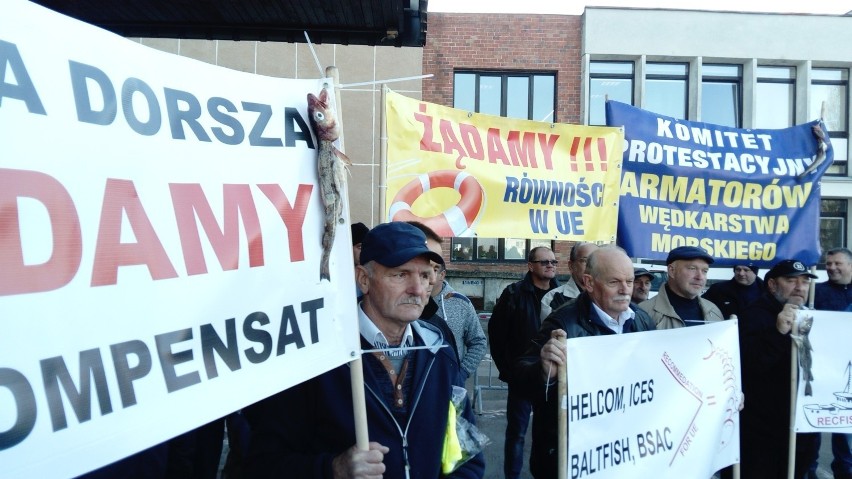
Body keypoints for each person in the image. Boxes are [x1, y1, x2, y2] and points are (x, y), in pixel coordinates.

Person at [243, 221, 484, 478]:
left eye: (425, 276)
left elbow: (467, 454)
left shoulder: (440, 351)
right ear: (363, 279)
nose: (417, 289)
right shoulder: (317, 356)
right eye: (400, 274)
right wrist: (333, 469)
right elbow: (264, 461)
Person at [512, 246, 656, 479]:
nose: (625, 290)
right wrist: (544, 371)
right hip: (573, 456)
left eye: (629, 281)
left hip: (625, 453)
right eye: (614, 282)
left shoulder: (641, 319)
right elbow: (520, 378)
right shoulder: (563, 323)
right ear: (589, 283)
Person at [739, 259, 820, 479]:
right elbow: (751, 365)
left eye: (804, 281)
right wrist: (777, 333)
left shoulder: (811, 316)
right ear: (772, 284)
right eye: (791, 280)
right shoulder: (754, 314)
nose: (800, 287)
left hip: (802, 426)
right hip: (764, 430)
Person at [488, 246, 559, 479]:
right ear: (530, 266)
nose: (550, 265)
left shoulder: (561, 296)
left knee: (549, 433)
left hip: (551, 379)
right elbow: (497, 335)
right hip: (522, 377)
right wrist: (508, 371)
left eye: (553, 262)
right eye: (544, 262)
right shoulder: (514, 294)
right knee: (517, 433)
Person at [419, 225, 487, 384]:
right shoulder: (405, 305)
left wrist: (461, 373)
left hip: (451, 385)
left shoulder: (460, 303)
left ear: (442, 274)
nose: (430, 277)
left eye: (435, 269)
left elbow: (478, 342)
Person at [815, 247, 852, 479]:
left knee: (845, 427)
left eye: (837, 263)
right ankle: (809, 469)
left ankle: (845, 472)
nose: (831, 268)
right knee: (814, 421)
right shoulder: (815, 292)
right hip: (822, 368)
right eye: (828, 264)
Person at [638, 245, 723, 328]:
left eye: (705, 271)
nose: (700, 277)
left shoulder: (714, 311)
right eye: (692, 268)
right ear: (672, 271)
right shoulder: (643, 313)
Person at [539, 242, 599, 320]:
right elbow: (549, 330)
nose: (591, 266)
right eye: (585, 261)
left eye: (596, 261)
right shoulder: (553, 298)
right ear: (571, 266)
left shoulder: (608, 295)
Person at [702, 263, 767, 320]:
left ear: (755, 272)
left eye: (746, 270)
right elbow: (700, 305)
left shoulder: (768, 291)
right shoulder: (718, 289)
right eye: (738, 269)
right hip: (727, 331)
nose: (741, 273)